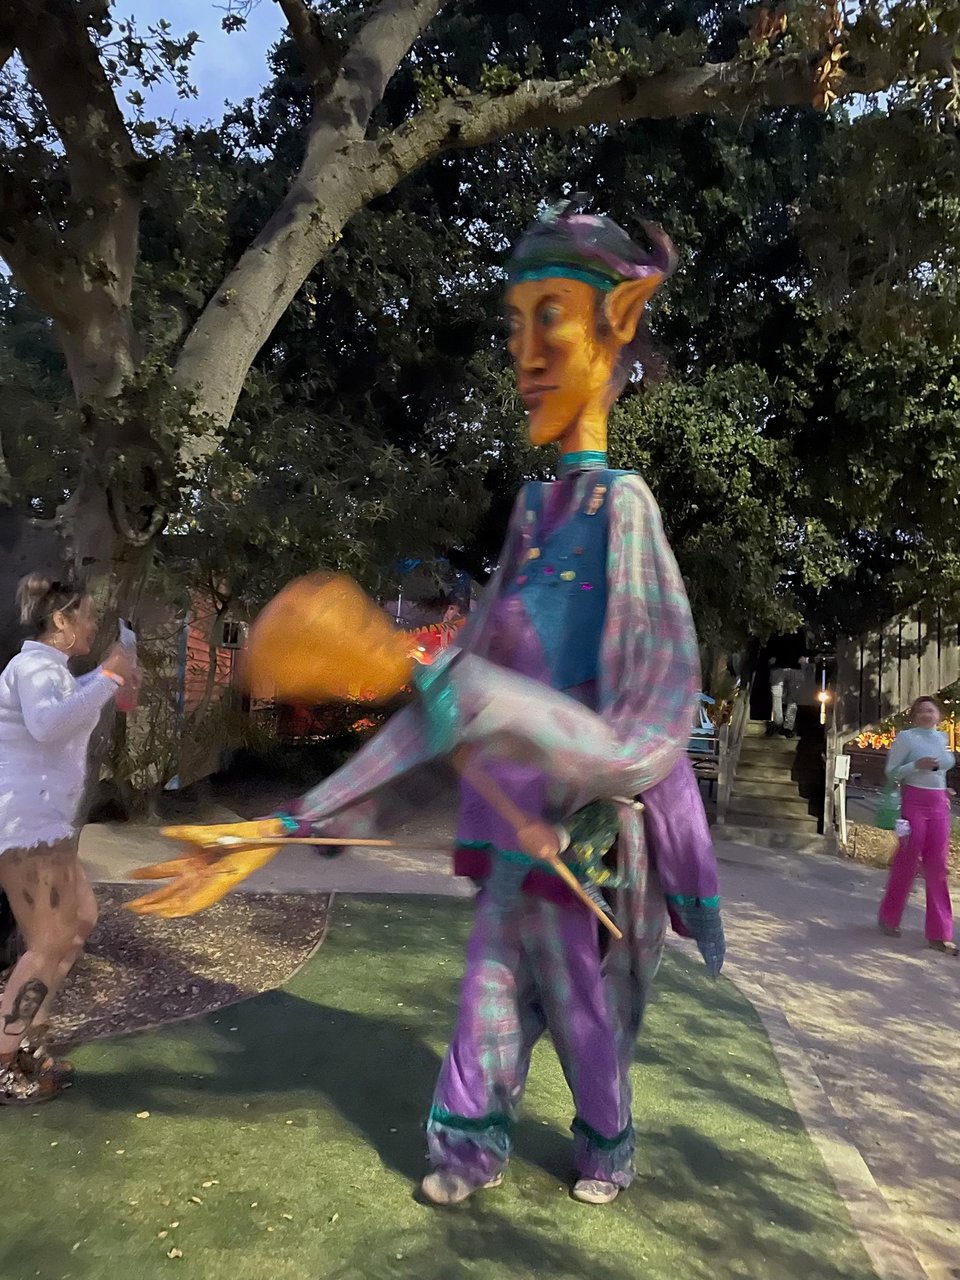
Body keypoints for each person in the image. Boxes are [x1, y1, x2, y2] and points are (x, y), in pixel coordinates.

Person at [133, 197, 724, 1206]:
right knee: (487, 988)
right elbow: (435, 712)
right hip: (510, 827)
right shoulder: (534, 516)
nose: (524, 351)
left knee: (582, 1004)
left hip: (582, 841)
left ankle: (608, 1139)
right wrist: (272, 828)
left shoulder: (625, 510)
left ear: (618, 325)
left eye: (550, 318)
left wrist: (494, 713)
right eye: (513, 325)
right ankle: (467, 1144)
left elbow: (650, 727)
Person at [0, 574, 138, 1102]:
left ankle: (31, 1043)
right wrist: (108, 674)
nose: (91, 625)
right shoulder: (33, 666)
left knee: (78, 921)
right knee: (49, 941)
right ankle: (5, 1060)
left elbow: (72, 705)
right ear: (60, 621)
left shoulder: (52, 671)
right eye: (84, 616)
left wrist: (111, 679)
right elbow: (49, 726)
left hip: (45, 825)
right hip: (24, 827)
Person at [878, 696, 957, 954]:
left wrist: (946, 788)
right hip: (914, 803)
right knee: (908, 861)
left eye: (931, 710)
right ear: (914, 716)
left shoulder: (942, 738)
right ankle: (889, 918)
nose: (927, 715)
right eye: (922, 711)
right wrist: (915, 765)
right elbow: (892, 771)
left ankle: (939, 933)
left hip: (939, 805)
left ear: (939, 715)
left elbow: (942, 769)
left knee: (937, 868)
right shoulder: (907, 738)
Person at [782, 655, 817, 738]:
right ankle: (788, 728)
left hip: (804, 689)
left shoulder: (809, 665)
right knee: (792, 707)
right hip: (794, 689)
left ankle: (797, 729)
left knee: (800, 708)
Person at [766, 657, 785, 736]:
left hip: (776, 686)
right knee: (776, 706)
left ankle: (777, 724)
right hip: (776, 686)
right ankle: (776, 724)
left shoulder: (777, 670)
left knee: (777, 706)